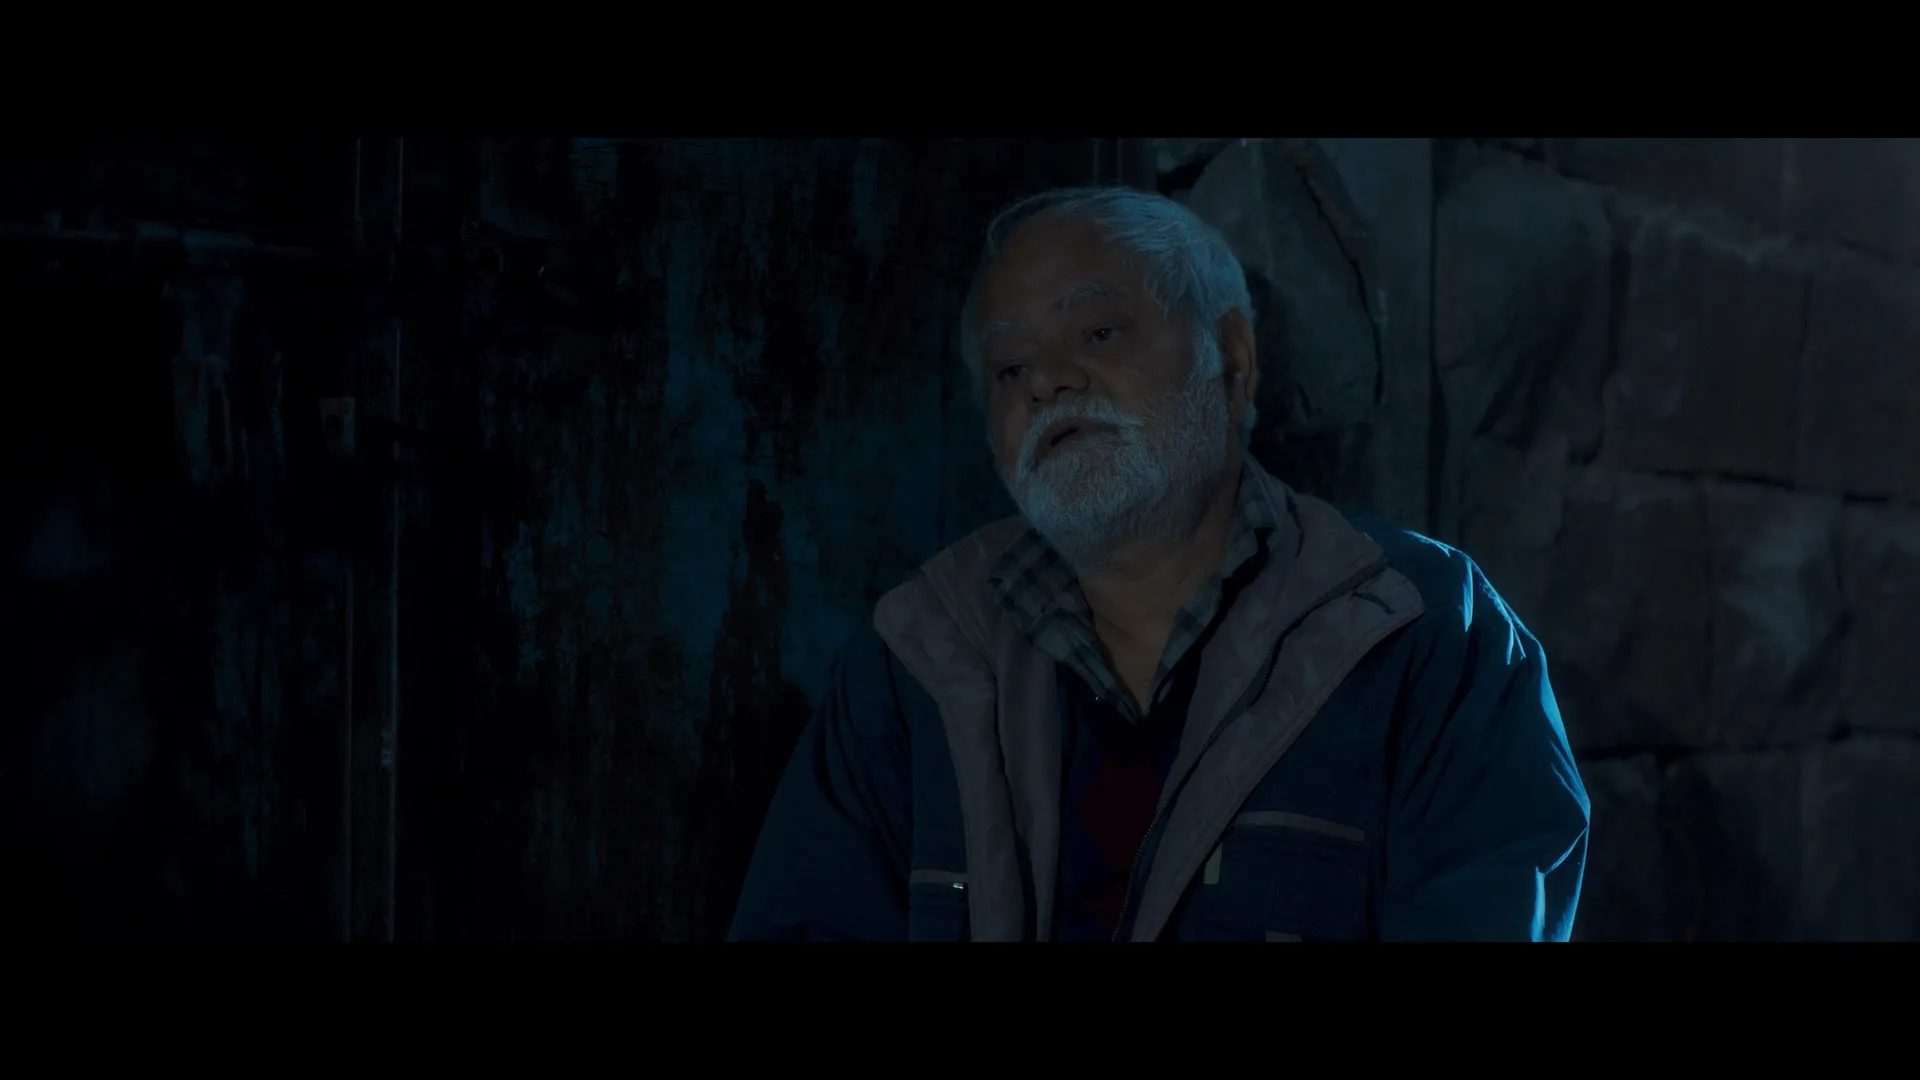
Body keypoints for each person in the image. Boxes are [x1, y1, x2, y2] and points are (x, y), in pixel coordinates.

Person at [728, 185, 1590, 942]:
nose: (1047, 381)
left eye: (1098, 330)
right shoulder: (913, 661)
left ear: (1232, 360)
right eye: (1009, 368)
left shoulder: (1423, 630)